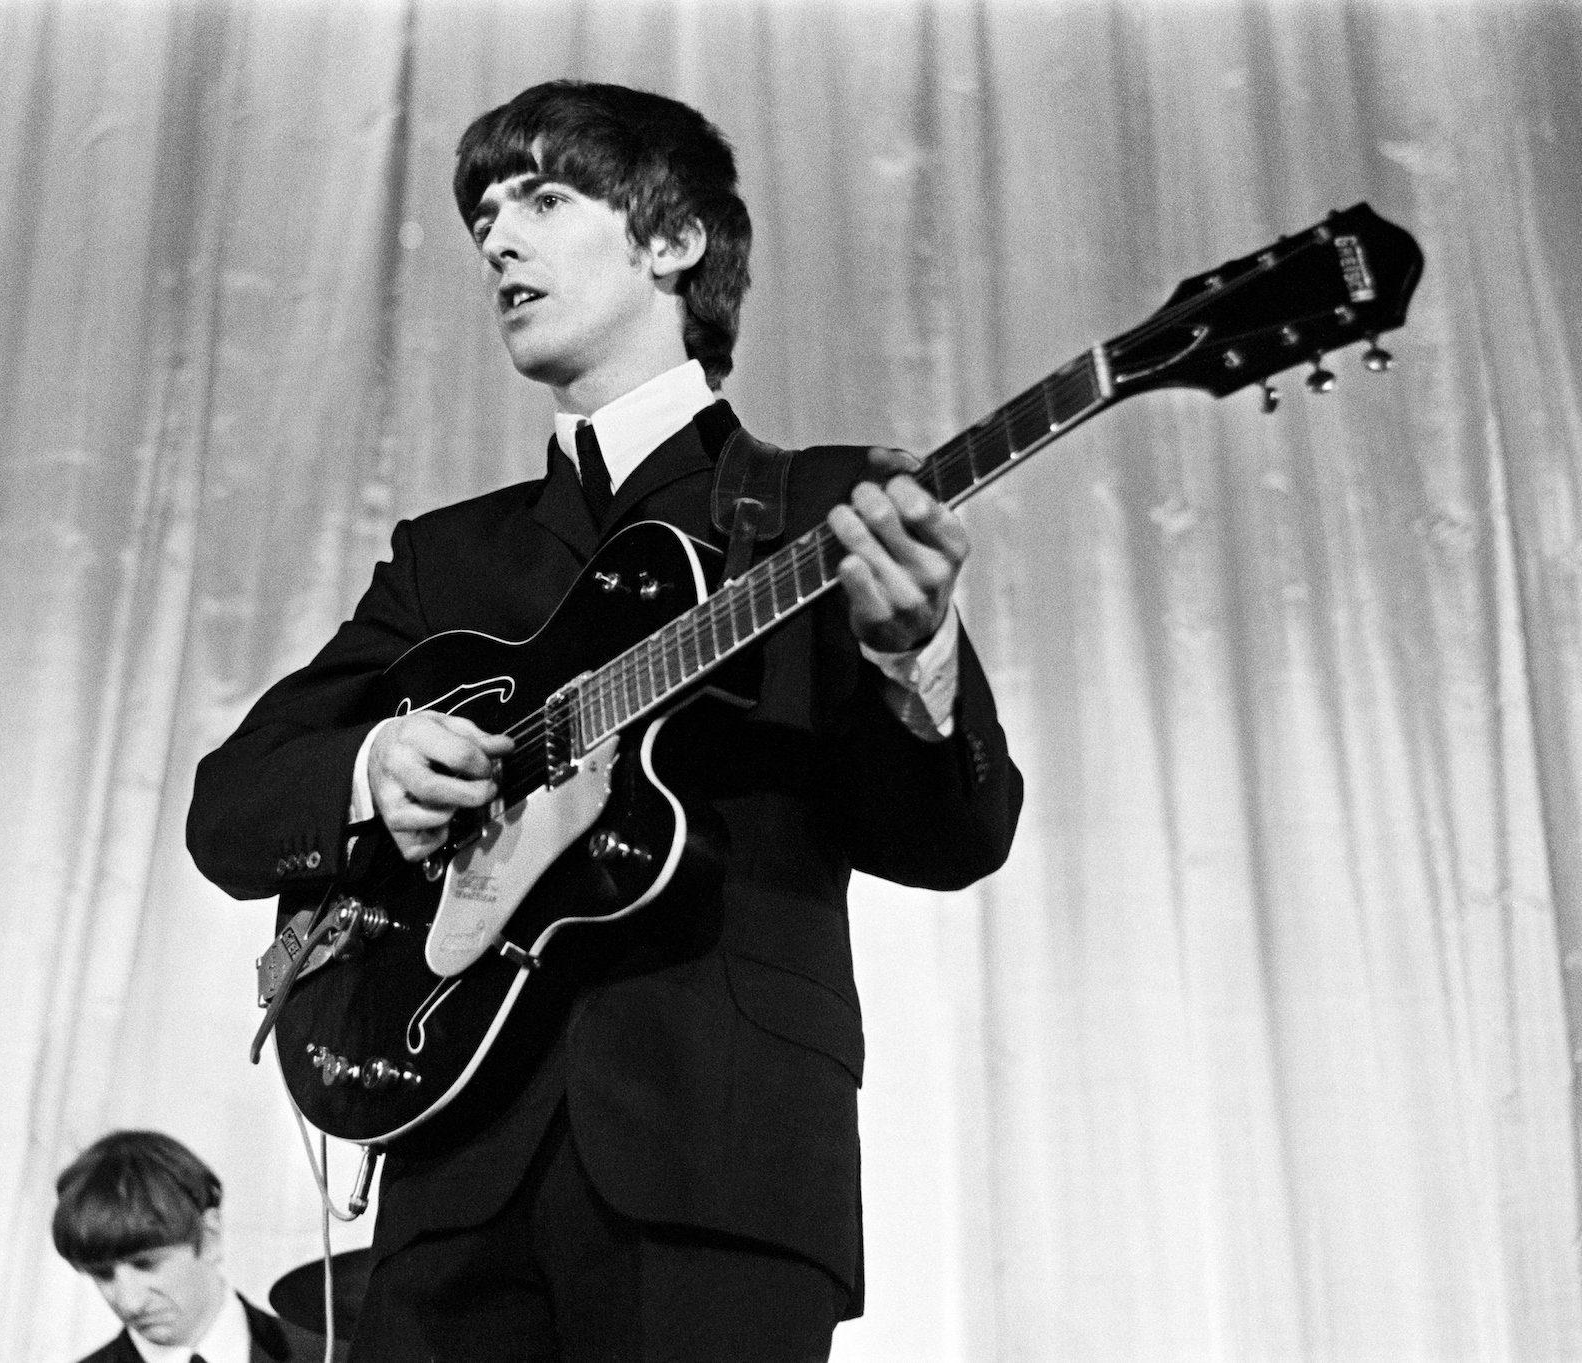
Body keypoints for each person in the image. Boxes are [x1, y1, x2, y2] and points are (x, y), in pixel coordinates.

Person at [186, 80, 1022, 1361]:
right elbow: (229, 806)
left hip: (717, 1170)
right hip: (447, 1171)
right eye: (482, 216)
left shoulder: (825, 508)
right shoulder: (448, 562)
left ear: (673, 241)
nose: (495, 238)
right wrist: (374, 764)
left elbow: (951, 837)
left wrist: (915, 659)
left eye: (543, 198)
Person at [54, 1130, 332, 1363]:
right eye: (103, 1274)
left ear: (209, 1236)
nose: (131, 1303)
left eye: (145, 1263)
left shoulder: (338, 1356)